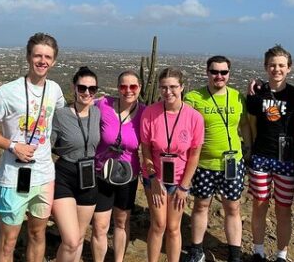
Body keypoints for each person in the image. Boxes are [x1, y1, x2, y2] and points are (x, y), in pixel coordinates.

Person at [0, 33, 65, 262]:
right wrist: (12, 146)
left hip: (45, 175)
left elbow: (60, 120)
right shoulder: (7, 92)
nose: (42, 60)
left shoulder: (55, 90)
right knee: (8, 241)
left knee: (38, 234)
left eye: (47, 56)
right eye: (38, 55)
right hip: (13, 176)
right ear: (28, 57)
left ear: (54, 61)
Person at [184, 55, 251, 262]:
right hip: (204, 163)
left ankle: (235, 254)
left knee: (233, 207)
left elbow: (245, 125)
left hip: (232, 163)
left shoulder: (237, 97)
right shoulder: (194, 98)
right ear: (207, 73)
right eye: (214, 72)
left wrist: (247, 149)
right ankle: (197, 249)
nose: (219, 76)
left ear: (229, 74)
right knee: (201, 205)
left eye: (223, 72)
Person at [245, 45, 294, 262]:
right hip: (261, 156)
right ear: (265, 67)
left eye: (281, 65)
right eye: (272, 65)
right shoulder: (256, 94)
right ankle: (258, 252)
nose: (276, 69)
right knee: (259, 205)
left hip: (286, 160)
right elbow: (249, 124)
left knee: (283, 209)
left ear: (289, 68)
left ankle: (281, 255)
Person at [140, 67, 204, 262]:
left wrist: (184, 186)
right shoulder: (150, 113)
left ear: (182, 87)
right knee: (158, 224)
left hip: (179, 180)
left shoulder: (194, 117)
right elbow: (146, 149)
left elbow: (194, 155)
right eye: (163, 87)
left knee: (174, 228)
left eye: (173, 87)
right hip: (155, 178)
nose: (168, 92)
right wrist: (153, 177)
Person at [91, 70, 145, 262]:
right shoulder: (103, 105)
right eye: (123, 86)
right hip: (101, 173)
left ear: (139, 87)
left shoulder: (145, 113)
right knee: (100, 225)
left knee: (122, 222)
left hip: (128, 176)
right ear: (117, 88)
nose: (128, 90)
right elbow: (80, 110)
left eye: (133, 86)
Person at [51, 66, 101, 262]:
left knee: (79, 238)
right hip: (65, 175)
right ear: (74, 88)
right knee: (71, 240)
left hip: (89, 177)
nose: (87, 93)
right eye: (82, 88)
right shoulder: (61, 115)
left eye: (92, 89)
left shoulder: (98, 113)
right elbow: (46, 144)